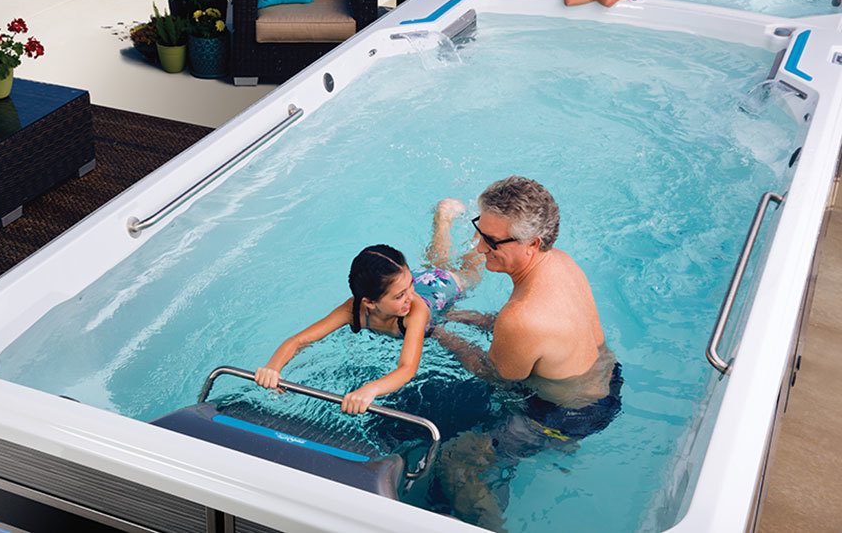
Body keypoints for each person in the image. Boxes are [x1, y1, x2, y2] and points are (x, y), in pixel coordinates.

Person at [431, 176, 621, 531]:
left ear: (532, 243)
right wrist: (469, 317)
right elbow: (540, 336)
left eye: (491, 240)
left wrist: (435, 330)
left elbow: (492, 372)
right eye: (479, 229)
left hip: (564, 417)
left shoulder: (521, 317)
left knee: (458, 460)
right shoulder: (561, 262)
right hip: (606, 381)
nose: (478, 245)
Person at [254, 200, 483, 414]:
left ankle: (482, 237)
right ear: (370, 303)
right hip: (417, 281)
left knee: (469, 272)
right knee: (435, 265)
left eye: (408, 287)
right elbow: (300, 340)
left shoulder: (415, 309)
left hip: (440, 289)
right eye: (400, 296)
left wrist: (371, 389)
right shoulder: (353, 309)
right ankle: (443, 218)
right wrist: (273, 368)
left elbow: (406, 369)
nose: (409, 298)